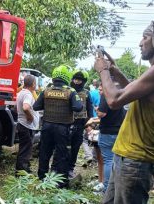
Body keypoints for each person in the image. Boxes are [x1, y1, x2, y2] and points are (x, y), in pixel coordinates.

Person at [94, 21, 154, 204]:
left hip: (135, 160)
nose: (140, 43)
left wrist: (103, 71)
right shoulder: (150, 73)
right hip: (127, 156)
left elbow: (114, 100)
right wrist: (115, 70)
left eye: (145, 37)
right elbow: (134, 94)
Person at [33, 65, 83, 187]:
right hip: (62, 128)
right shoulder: (71, 92)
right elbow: (78, 108)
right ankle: (58, 181)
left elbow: (35, 107)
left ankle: (42, 178)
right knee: (61, 153)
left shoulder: (46, 90)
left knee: (45, 151)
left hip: (47, 126)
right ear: (67, 77)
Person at [96, 83, 126, 193]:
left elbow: (101, 114)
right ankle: (116, 188)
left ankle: (107, 189)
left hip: (107, 132)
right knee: (117, 161)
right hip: (119, 132)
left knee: (108, 160)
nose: (99, 89)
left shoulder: (106, 95)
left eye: (101, 87)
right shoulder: (120, 95)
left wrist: (97, 110)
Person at [15, 75, 40, 174]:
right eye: (35, 83)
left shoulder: (21, 92)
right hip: (26, 125)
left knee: (25, 148)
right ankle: (21, 171)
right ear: (33, 84)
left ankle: (25, 168)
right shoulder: (28, 94)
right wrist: (30, 116)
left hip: (23, 124)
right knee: (25, 149)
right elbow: (26, 107)